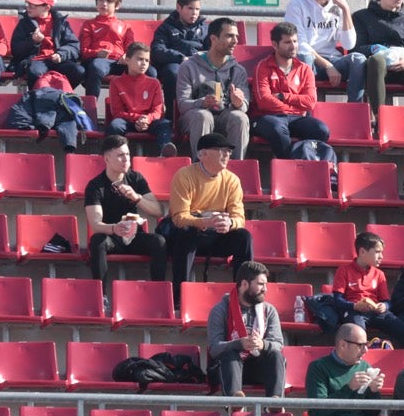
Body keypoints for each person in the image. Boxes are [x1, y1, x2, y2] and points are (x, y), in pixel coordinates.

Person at [167, 133, 252, 299]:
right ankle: (180, 297)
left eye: (228, 151)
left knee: (244, 236)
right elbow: (179, 218)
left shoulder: (232, 180)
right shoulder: (184, 175)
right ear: (202, 154)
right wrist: (205, 221)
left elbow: (240, 218)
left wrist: (229, 223)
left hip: (216, 235)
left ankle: (245, 296)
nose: (227, 154)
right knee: (187, 232)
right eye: (220, 150)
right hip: (190, 234)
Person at [85, 134, 167, 299]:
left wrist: (137, 198)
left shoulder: (136, 178)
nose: (126, 159)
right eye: (120, 155)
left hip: (135, 235)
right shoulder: (95, 186)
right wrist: (115, 228)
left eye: (128, 155)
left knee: (160, 241)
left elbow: (158, 211)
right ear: (107, 159)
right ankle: (101, 296)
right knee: (97, 241)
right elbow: (95, 224)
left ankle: (158, 293)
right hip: (112, 236)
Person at [283, 0, 365, 102]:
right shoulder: (297, 4)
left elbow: (348, 44)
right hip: (309, 61)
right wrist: (327, 65)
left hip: (332, 59)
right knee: (304, 56)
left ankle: (354, 111)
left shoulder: (337, 6)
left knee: (358, 59)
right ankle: (305, 111)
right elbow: (300, 45)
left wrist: (345, 10)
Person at [251, 21, 330, 159]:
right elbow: (264, 101)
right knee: (278, 129)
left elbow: (310, 102)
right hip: (268, 117)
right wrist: (295, 106)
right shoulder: (263, 67)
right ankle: (289, 166)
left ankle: (304, 160)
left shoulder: (305, 69)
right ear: (275, 45)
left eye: (295, 41)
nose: (293, 46)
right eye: (287, 42)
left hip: (296, 118)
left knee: (321, 130)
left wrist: (283, 96)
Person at [175, 18, 251, 158]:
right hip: (195, 117)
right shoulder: (189, 66)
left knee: (240, 117)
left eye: (236, 36)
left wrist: (239, 103)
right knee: (203, 116)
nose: (235, 41)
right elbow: (182, 104)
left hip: (225, 115)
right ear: (213, 38)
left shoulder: (238, 70)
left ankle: (236, 169)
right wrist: (201, 103)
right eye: (229, 36)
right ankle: (200, 169)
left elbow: (245, 105)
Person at [208, 262, 285, 398]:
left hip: (255, 366)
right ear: (244, 284)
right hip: (228, 368)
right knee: (230, 353)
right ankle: (236, 403)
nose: (265, 289)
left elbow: (278, 344)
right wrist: (239, 344)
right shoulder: (220, 310)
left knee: (276, 356)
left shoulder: (269, 310)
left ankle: (275, 403)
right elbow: (214, 349)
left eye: (266, 284)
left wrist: (263, 344)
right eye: (261, 284)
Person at [331, 230, 404, 353]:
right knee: (358, 335)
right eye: (377, 252)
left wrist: (384, 306)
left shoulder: (379, 274)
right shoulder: (344, 270)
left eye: (381, 252)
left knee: (403, 330)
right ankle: (360, 365)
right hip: (354, 312)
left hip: (376, 312)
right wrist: (355, 306)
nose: (381, 256)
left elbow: (387, 301)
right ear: (362, 252)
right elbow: (337, 300)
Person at [10, 0, 83, 91]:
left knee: (78, 71)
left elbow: (74, 46)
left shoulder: (60, 22)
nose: (29, 7)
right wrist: (32, 42)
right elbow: (16, 50)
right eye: (28, 3)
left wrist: (61, 54)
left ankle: (61, 96)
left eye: (34, 5)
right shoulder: (24, 23)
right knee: (34, 71)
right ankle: (39, 100)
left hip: (58, 60)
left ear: (47, 7)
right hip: (36, 60)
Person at [107, 44, 174, 156]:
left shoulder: (154, 83)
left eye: (147, 60)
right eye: (140, 59)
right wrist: (138, 118)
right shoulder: (115, 83)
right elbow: (117, 112)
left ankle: (164, 154)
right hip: (127, 121)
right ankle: (116, 156)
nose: (144, 63)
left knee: (164, 124)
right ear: (127, 60)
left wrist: (147, 119)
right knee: (115, 126)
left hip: (148, 121)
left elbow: (158, 111)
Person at [152, 0, 208, 112]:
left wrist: (199, 58)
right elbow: (157, 50)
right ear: (179, 7)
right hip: (176, 64)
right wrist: (181, 58)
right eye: (190, 8)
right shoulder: (166, 27)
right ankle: (172, 116)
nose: (194, 13)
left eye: (197, 9)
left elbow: (213, 50)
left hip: (199, 65)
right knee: (172, 72)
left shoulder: (205, 29)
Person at [80, 0, 136, 99]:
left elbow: (131, 47)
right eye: (100, 0)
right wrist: (96, 53)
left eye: (109, 1)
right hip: (100, 61)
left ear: (117, 5)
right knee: (96, 66)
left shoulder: (125, 26)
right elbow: (83, 51)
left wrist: (127, 56)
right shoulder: (89, 24)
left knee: (149, 71)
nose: (104, 4)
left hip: (120, 62)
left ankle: (146, 110)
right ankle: (90, 109)